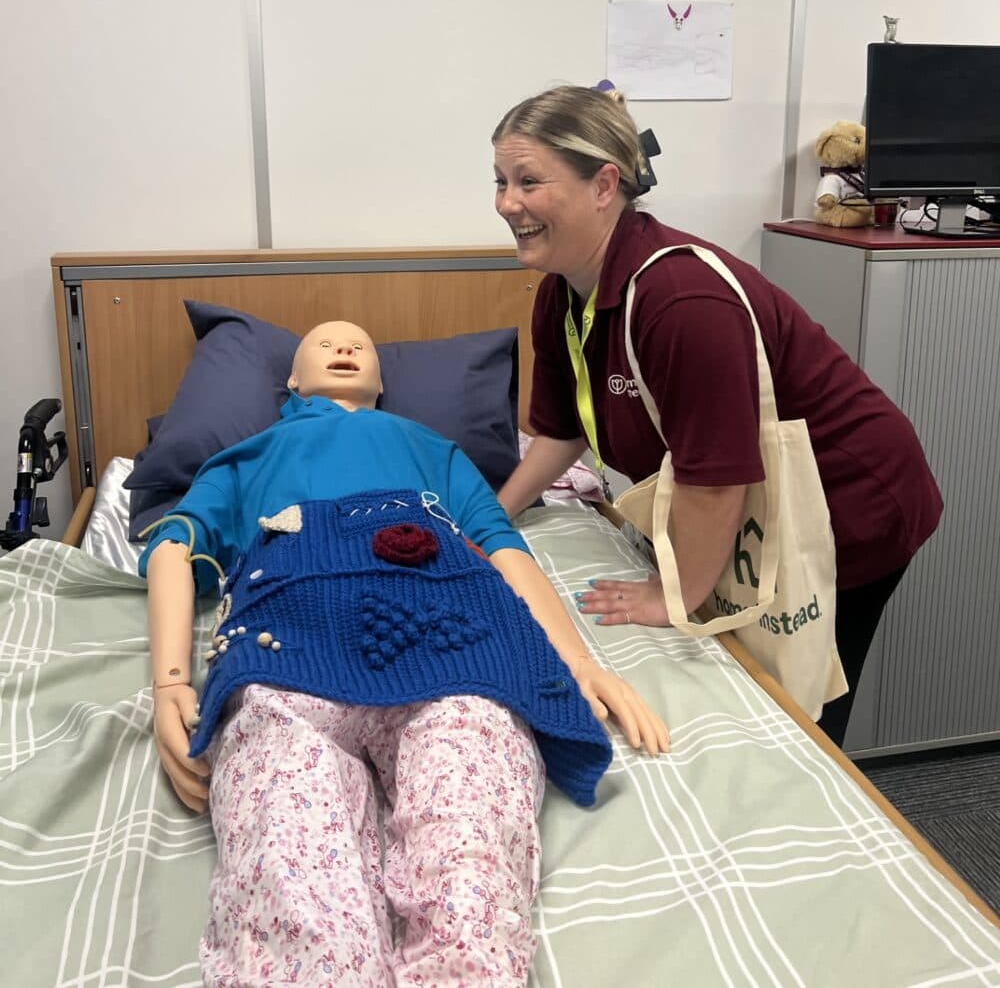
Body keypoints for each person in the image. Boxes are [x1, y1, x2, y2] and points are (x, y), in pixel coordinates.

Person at [142, 319, 668, 987]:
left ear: (383, 382)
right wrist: (169, 682)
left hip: (454, 647)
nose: (342, 345)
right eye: (323, 342)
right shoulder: (248, 457)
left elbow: (502, 548)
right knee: (288, 874)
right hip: (285, 651)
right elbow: (172, 546)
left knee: (468, 864)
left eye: (357, 343)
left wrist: (578, 662)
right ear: (292, 379)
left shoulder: (436, 452)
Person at [492, 84, 943, 748]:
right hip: (745, 496)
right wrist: (495, 516)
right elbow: (560, 432)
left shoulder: (681, 301)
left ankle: (809, 799)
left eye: (528, 180)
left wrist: (669, 596)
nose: (507, 202)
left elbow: (714, 481)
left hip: (850, 499)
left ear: (603, 184)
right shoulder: (562, 294)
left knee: (799, 699)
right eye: (500, 180)